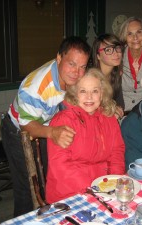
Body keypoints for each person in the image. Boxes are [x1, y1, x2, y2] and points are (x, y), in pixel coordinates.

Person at [1, 36, 90, 216]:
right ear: (59, 58)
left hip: (46, 125)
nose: (77, 72)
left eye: (82, 67)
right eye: (72, 64)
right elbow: (26, 125)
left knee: (50, 178)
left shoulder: (74, 77)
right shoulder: (36, 88)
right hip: (18, 130)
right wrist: (52, 132)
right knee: (28, 188)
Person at [45, 68, 125, 203]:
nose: (89, 97)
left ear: (102, 93)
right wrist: (94, 190)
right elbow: (61, 167)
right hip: (70, 194)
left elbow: (117, 152)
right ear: (75, 94)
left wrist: (114, 181)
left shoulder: (109, 118)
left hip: (105, 190)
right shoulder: (63, 121)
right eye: (83, 91)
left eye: (95, 91)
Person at [89, 33, 125, 119]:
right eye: (108, 50)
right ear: (98, 56)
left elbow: (120, 104)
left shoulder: (116, 75)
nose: (116, 53)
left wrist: (117, 109)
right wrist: (111, 109)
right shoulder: (90, 78)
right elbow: (88, 107)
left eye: (117, 48)